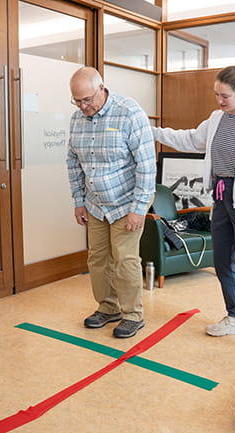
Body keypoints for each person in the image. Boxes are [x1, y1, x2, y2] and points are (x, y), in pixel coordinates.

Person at [151, 65, 235, 364]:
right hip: (221, 197)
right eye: (216, 95)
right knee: (221, 261)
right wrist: (152, 131)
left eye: (224, 96)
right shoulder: (216, 119)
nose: (219, 101)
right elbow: (190, 140)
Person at [66, 67, 156, 338]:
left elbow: (147, 166)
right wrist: (79, 201)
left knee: (125, 258)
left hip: (127, 199)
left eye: (88, 100)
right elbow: (72, 162)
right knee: (97, 258)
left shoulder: (129, 112)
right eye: (77, 101)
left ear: (102, 88)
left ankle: (132, 314)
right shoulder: (77, 120)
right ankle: (108, 307)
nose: (84, 106)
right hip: (96, 202)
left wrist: (138, 209)